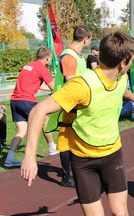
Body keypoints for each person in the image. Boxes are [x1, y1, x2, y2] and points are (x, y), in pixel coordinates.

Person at [21, 31, 134, 216]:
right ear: (123, 63)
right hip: (83, 160)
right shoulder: (82, 86)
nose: (131, 65)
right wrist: (30, 156)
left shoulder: (120, 78)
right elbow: (38, 111)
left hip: (112, 155)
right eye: (131, 61)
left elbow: (120, 89)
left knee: (120, 214)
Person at [3, 47, 59, 168]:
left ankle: (9, 158)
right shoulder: (42, 68)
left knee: (22, 130)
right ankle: (52, 147)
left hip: (14, 101)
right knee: (44, 120)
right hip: (26, 100)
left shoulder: (29, 65)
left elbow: (35, 84)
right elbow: (53, 87)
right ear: (48, 58)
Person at [58, 25, 92, 188]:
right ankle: (66, 176)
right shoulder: (69, 56)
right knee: (67, 141)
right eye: (90, 39)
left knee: (80, 137)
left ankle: (80, 171)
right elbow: (70, 81)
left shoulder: (78, 55)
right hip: (70, 104)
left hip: (80, 103)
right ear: (85, 39)